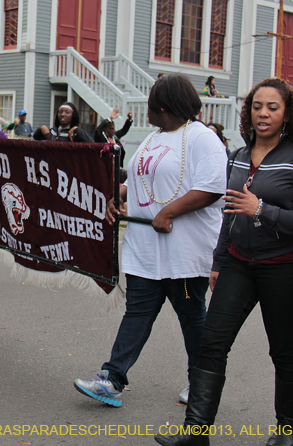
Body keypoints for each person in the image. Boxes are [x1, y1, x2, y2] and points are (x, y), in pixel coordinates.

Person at [154, 78, 293, 446]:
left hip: (287, 267)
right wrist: (218, 261)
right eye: (256, 106)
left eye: (272, 107)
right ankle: (195, 433)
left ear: (287, 113)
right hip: (238, 264)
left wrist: (261, 209)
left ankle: (287, 431)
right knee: (212, 344)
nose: (263, 113)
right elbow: (230, 214)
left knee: (283, 349)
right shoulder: (240, 156)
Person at [74, 75, 227, 409]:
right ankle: (112, 380)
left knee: (192, 317)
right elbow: (140, 179)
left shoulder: (204, 139)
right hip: (145, 249)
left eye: (150, 104)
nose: (146, 111)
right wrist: (120, 195)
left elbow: (212, 187)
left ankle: (201, 383)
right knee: (137, 313)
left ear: (163, 106)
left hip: (185, 253)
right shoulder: (152, 139)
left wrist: (169, 211)